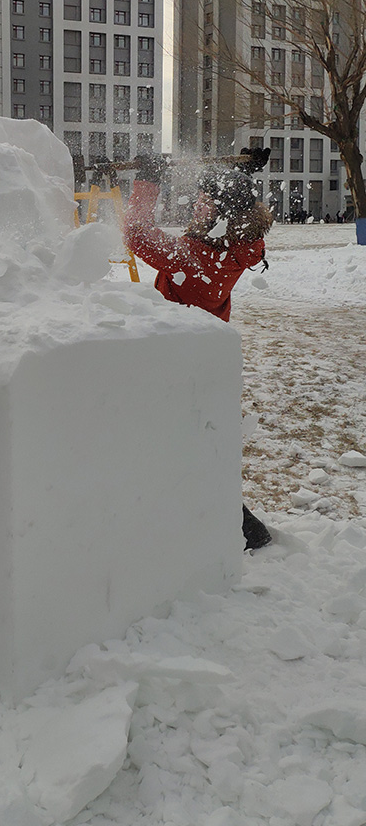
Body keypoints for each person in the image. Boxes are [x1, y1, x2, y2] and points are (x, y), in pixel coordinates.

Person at [123, 148, 274, 551]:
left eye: (208, 200)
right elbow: (236, 207)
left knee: (180, 450)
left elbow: (135, 235)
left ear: (222, 213)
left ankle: (238, 529)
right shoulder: (242, 247)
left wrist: (148, 181)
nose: (197, 204)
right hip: (199, 362)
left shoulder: (194, 257)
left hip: (176, 366)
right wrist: (238, 174)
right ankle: (236, 526)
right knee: (196, 447)